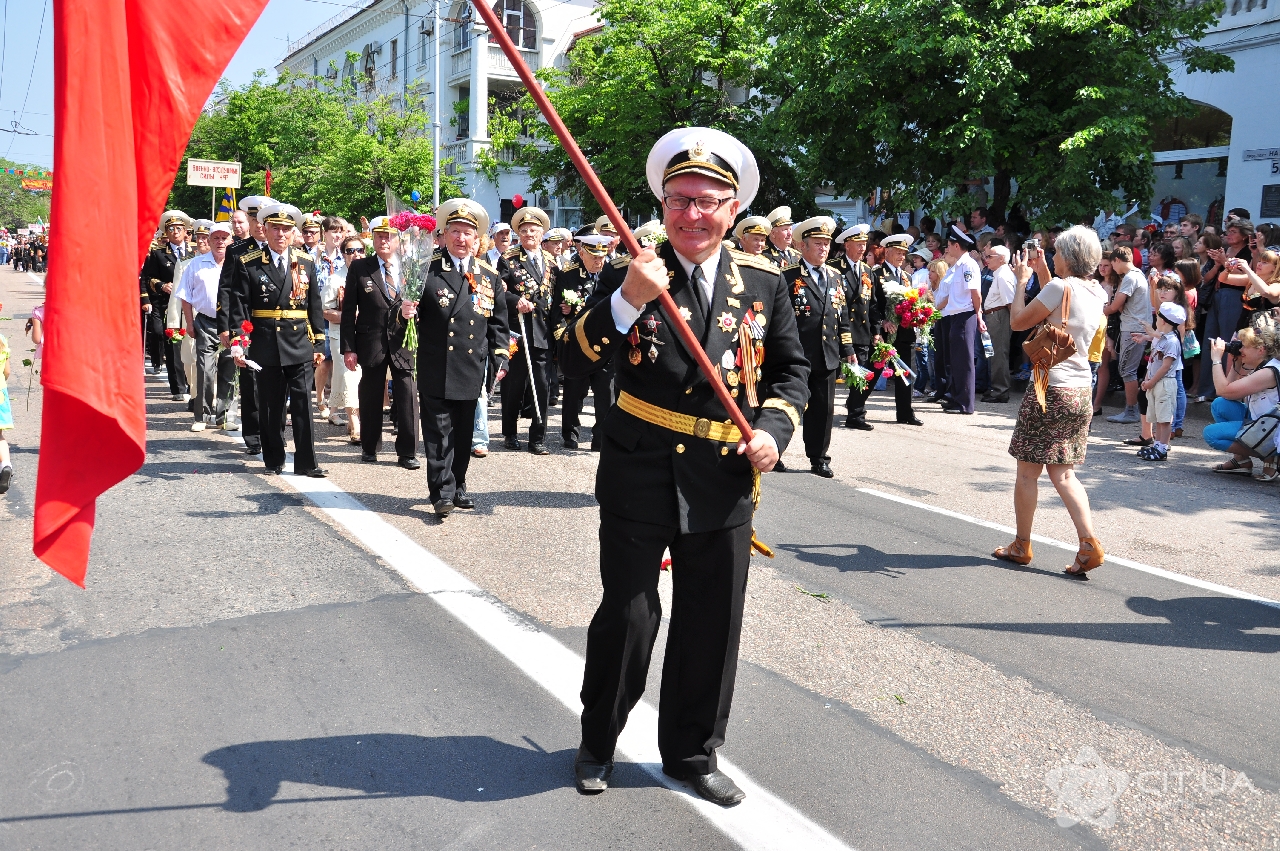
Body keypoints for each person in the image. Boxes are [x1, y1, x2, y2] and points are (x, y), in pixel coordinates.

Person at [561, 127, 808, 805]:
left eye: (706, 201)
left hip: (724, 474)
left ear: (733, 209)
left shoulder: (762, 280)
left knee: (712, 619)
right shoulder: (631, 271)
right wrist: (627, 300)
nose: (691, 214)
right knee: (631, 615)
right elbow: (571, 359)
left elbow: (791, 371)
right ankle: (597, 740)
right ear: (663, 203)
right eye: (679, 199)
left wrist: (774, 432)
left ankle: (693, 752)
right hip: (639, 469)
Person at [998, 226, 1108, 578]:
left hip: (1049, 385)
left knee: (1028, 472)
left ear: (1070, 256)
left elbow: (1018, 322)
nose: (1054, 255)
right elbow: (1061, 304)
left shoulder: (1059, 287)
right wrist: (1043, 269)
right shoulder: (1097, 292)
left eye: (1057, 251)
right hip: (1079, 389)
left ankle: (1021, 544)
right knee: (1063, 473)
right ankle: (1088, 542)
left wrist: (1020, 281)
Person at [415, 198, 510, 516]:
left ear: (477, 238)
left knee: (464, 431)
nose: (461, 238)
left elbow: (498, 325)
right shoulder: (426, 270)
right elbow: (403, 321)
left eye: (467, 232)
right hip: (436, 364)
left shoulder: (488, 276)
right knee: (439, 432)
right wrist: (403, 315)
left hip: (470, 367)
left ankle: (459, 484)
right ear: (444, 234)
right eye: (455, 231)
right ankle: (442, 491)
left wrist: (500, 357)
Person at [225, 202, 327, 477]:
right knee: (271, 405)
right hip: (266, 342)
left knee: (304, 404)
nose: (280, 234)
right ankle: (273, 459)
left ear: (293, 233)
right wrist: (239, 342)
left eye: (285, 229)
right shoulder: (249, 263)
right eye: (275, 229)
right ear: (264, 230)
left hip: (299, 342)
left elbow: (314, 306)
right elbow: (240, 307)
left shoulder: (304, 262)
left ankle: (307, 462)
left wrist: (318, 342)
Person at [340, 217, 420, 469]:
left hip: (403, 339)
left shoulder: (412, 267)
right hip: (371, 339)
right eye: (379, 236)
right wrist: (349, 347)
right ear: (372, 239)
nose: (384, 241)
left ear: (399, 239)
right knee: (371, 393)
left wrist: (415, 313)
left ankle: (407, 451)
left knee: (407, 394)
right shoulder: (360, 267)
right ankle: (370, 446)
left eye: (390, 236)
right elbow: (349, 309)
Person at [784, 216, 854, 476]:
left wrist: (848, 351)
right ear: (803, 246)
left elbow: (842, 315)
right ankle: (776, 451)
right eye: (818, 243)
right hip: (797, 354)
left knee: (823, 411)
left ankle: (819, 458)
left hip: (827, 355)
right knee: (787, 406)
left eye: (826, 243)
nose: (824, 248)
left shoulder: (836, 277)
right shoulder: (789, 277)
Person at [218, 195, 276, 456]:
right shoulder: (237, 250)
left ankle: (275, 433)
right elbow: (227, 291)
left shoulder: (280, 250)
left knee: (275, 379)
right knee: (251, 381)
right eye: (255, 220)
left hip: (276, 326)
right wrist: (227, 328)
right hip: (247, 325)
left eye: (264, 220)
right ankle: (253, 435)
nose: (260, 226)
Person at [498, 206, 556, 455]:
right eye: (523, 231)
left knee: (541, 385)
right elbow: (498, 290)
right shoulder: (508, 260)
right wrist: (515, 301)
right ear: (517, 234)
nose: (529, 234)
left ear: (542, 233)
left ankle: (537, 437)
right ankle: (510, 432)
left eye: (533, 230)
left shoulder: (552, 262)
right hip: (518, 330)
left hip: (543, 331)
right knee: (514, 384)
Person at [553, 229, 614, 449]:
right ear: (582, 253)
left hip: (606, 344)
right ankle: (570, 433)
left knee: (605, 395)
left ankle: (600, 438)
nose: (599, 261)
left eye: (602, 256)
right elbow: (557, 313)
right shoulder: (567, 275)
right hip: (578, 343)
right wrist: (562, 340)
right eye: (594, 257)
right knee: (573, 392)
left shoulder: (612, 274)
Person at [175, 222, 237, 432]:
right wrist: (189, 323)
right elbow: (185, 296)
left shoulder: (237, 263)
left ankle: (224, 415)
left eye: (224, 238)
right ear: (209, 241)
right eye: (216, 238)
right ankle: (202, 415)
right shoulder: (196, 264)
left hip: (232, 324)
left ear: (231, 240)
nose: (220, 242)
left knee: (229, 369)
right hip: (206, 322)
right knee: (204, 370)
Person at [1203, 314, 1280, 481]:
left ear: (1260, 350)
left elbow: (1224, 389)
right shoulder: (1262, 365)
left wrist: (1216, 359)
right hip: (1261, 421)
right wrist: (1236, 363)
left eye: (1244, 346)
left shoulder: (1269, 372)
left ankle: (1270, 454)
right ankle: (1241, 461)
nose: (1241, 349)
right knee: (1220, 405)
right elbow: (1225, 392)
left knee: (1211, 434)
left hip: (1271, 430)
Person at [140, 210, 195, 401]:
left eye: (179, 228)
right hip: (167, 306)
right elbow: (147, 278)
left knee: (191, 344)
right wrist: (161, 285)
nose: (175, 232)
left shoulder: (195, 252)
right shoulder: (159, 254)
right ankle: (178, 387)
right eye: (171, 229)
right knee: (173, 345)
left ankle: (192, 384)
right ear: (166, 232)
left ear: (186, 231)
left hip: (191, 305)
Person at [937, 225, 984, 414]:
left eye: (948, 245)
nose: (946, 248)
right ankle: (956, 398)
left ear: (956, 245)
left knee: (964, 361)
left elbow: (975, 293)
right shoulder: (958, 265)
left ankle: (965, 403)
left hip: (966, 315)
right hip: (956, 315)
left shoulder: (968, 265)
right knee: (956, 360)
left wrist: (978, 313)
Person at [835, 224, 877, 430]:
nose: (862, 249)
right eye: (857, 244)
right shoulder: (834, 267)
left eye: (864, 244)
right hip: (836, 330)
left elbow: (874, 304)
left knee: (861, 373)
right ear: (846, 245)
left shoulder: (868, 271)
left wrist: (876, 331)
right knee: (830, 373)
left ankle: (856, 414)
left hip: (860, 331)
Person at [1136, 302, 1187, 462]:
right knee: (1158, 416)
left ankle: (1162, 448)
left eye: (1157, 317)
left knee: (1164, 419)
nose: (1155, 320)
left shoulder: (1171, 341)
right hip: (1156, 382)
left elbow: (1165, 367)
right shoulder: (1163, 338)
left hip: (1164, 383)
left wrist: (1150, 383)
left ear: (1163, 321)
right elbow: (1153, 361)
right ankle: (1157, 445)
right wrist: (1147, 379)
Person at [1104, 247, 1148, 423]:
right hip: (1134, 326)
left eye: (1112, 264)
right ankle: (1131, 409)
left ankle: (1132, 411)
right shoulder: (1138, 274)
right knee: (1127, 369)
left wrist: (1100, 310)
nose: (1113, 269)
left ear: (1117, 260)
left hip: (1133, 328)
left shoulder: (1130, 277)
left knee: (1127, 370)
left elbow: (1115, 306)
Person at [982, 244, 1015, 403]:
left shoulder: (1003, 275)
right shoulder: (999, 273)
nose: (986, 259)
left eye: (990, 257)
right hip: (995, 315)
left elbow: (1010, 302)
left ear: (1001, 259)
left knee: (998, 353)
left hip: (999, 315)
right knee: (993, 353)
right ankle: (996, 387)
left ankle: (1000, 390)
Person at [0, 332, 12, 494]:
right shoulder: (1, 339)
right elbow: (7, 371)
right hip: (0, 394)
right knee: (0, 436)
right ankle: (6, 465)